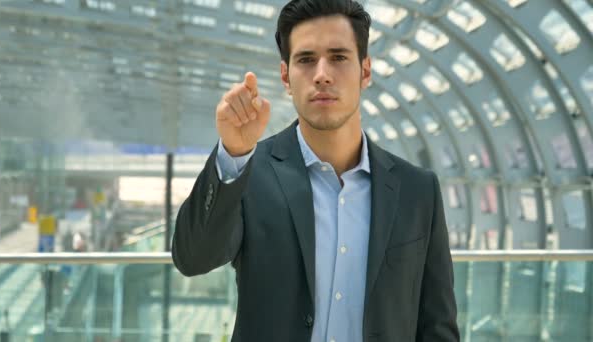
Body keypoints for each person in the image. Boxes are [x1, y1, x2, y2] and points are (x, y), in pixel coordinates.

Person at [172, 0, 460, 341]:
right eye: (306, 60)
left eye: (339, 57)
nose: (322, 74)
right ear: (286, 76)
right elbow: (192, 258)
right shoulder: (250, 172)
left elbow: (437, 324)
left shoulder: (417, 191)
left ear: (365, 71)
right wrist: (233, 152)